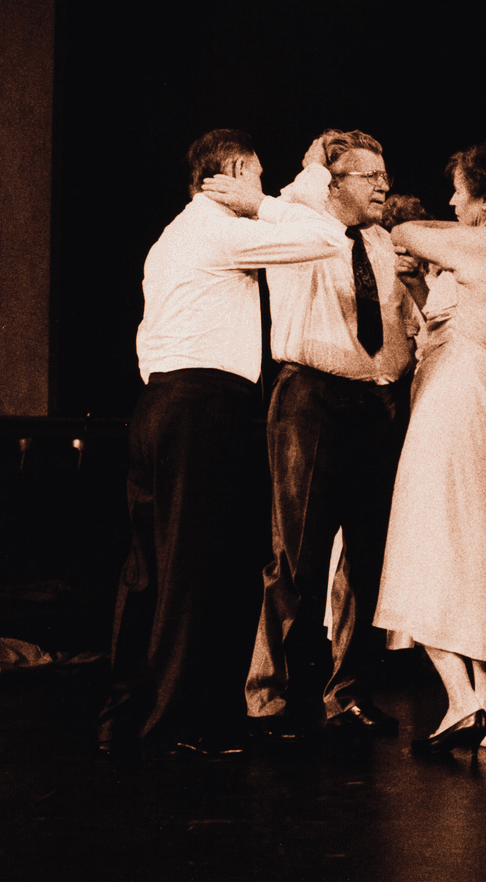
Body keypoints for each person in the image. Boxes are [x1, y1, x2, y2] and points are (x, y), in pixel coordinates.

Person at [100, 129, 346, 759]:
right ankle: (179, 723)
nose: (261, 191)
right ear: (234, 173)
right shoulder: (220, 230)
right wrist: (261, 199)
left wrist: (308, 173)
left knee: (149, 572)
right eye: (254, 177)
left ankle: (127, 717)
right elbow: (321, 237)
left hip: (158, 403)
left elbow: (289, 210)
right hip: (204, 409)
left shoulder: (180, 233)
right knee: (200, 570)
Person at [226, 129, 417, 743]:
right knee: (297, 555)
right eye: (369, 175)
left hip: (377, 404)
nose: (384, 184)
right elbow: (296, 192)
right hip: (310, 398)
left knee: (367, 559)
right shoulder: (300, 225)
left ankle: (350, 693)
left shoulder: (386, 245)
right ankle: (268, 692)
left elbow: (405, 322)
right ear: (333, 182)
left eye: (385, 173)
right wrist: (315, 162)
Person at [373, 142, 486, 753]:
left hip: (459, 399)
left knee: (427, 538)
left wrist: (411, 227)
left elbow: (407, 227)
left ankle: (461, 698)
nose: (452, 199)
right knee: (484, 549)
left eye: (461, 191)